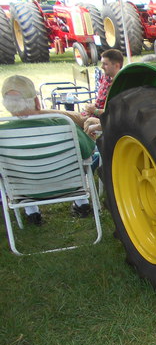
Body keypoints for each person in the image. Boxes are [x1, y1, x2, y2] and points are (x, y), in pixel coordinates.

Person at [1, 75, 97, 225]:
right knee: (82, 161)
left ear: (6, 105)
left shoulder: (2, 134)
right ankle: (82, 203)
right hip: (68, 185)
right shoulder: (64, 125)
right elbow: (88, 152)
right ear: (37, 102)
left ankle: (31, 212)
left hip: (24, 190)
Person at [83, 48, 124, 118]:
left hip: (103, 120)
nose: (102, 67)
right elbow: (100, 101)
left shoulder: (120, 84)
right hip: (89, 115)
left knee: (89, 122)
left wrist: (95, 111)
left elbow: (116, 112)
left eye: (105, 64)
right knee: (59, 115)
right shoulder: (105, 78)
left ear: (117, 66)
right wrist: (91, 107)